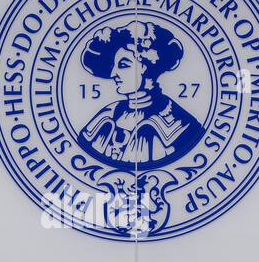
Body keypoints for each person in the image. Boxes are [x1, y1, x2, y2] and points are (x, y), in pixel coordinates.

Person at [76, 19, 204, 169]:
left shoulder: (183, 125)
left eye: (123, 65)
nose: (113, 73)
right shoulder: (105, 116)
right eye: (114, 66)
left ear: (147, 66)